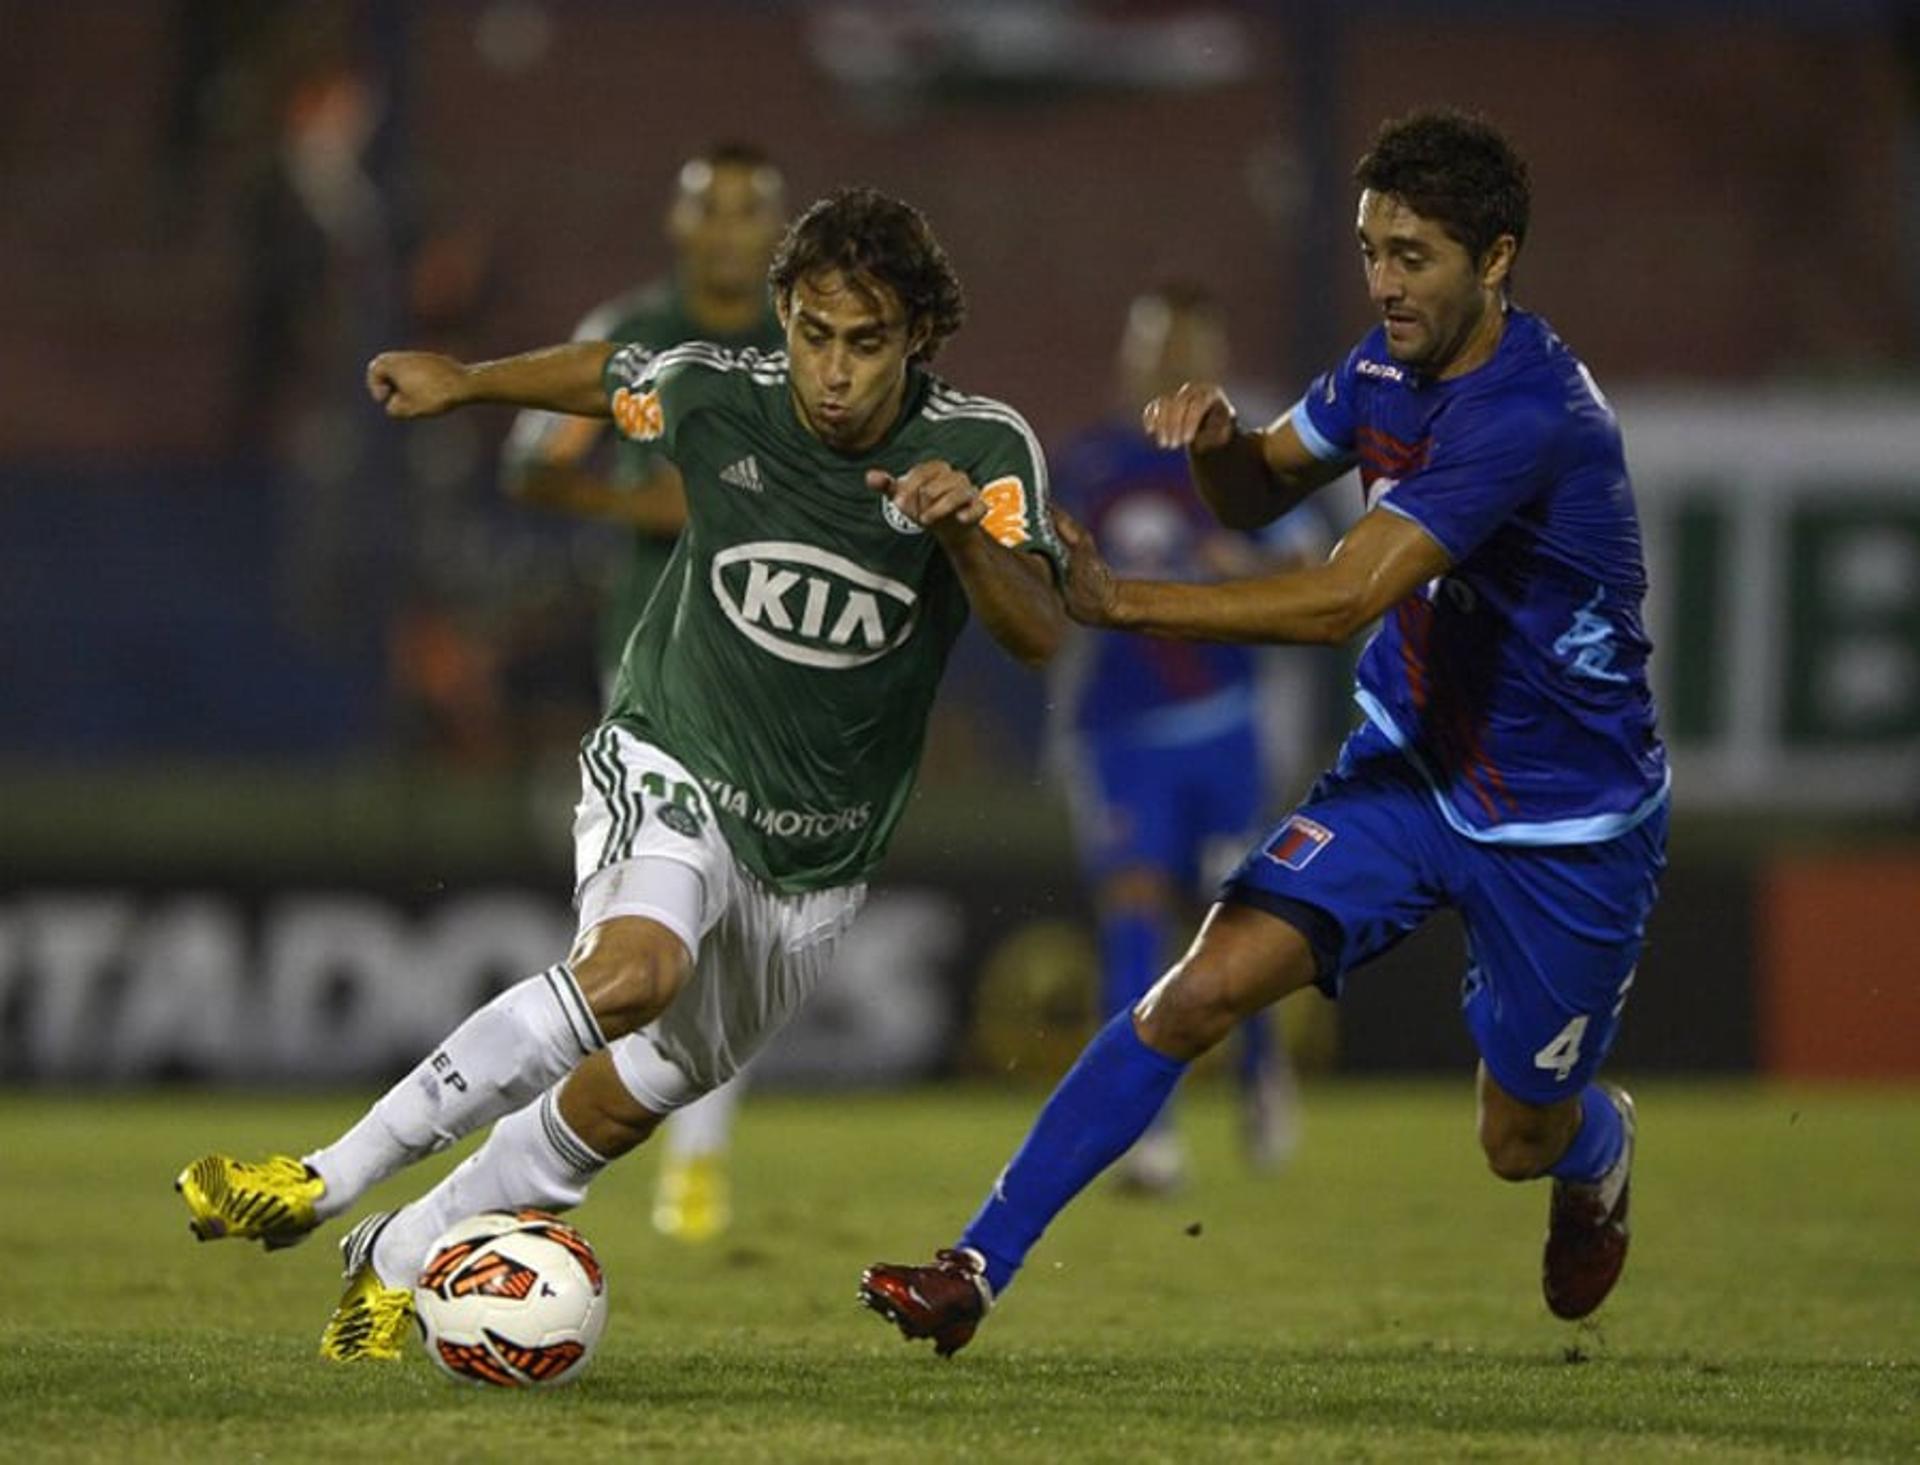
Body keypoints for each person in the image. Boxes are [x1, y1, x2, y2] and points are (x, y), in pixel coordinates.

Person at [175, 186, 1068, 1362]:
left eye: (866, 342)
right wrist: (467, 379)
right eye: (812, 334)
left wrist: (960, 535)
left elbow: (1039, 631)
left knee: (615, 1102)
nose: (834, 372)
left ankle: (392, 1257)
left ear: (918, 340)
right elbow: (610, 373)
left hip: (816, 861)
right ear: (785, 320)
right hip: (670, 752)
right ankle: (322, 1177)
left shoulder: (984, 449)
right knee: (636, 968)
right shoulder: (724, 395)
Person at [862, 109, 1670, 1356]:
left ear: (1495, 259)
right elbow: (1259, 491)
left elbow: (1345, 593)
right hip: (1405, 775)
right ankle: (973, 1267)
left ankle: (1596, 1145)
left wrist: (1121, 596)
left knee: (1518, 1138)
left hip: (1566, 824)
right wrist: (1227, 447)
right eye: (1370, 251)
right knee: (1197, 989)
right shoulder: (1380, 369)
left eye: (1415, 256)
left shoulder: (1530, 412)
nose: (1386, 283)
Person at [500, 142, 786, 1244]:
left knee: (734, 924)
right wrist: (641, 506)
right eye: (708, 208)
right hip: (655, 656)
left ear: (776, 228)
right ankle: (568, 1128)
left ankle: (691, 1160)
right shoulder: (630, 335)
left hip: (778, 665)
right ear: (678, 224)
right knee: (650, 921)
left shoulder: (809, 341)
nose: (727, 229)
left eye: (748, 210)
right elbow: (533, 463)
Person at [1050, 283, 1321, 1191]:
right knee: (1132, 916)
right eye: (1154, 343)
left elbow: (1319, 568)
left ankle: (1259, 1069)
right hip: (1119, 733)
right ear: (1129, 352)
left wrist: (1236, 565)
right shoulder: (1086, 463)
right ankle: (1150, 1130)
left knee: (1234, 922)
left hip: (1226, 726)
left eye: (1186, 345)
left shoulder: (1246, 459)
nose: (1169, 361)